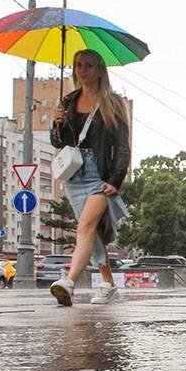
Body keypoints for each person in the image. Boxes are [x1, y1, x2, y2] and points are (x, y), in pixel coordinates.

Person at [48, 49, 131, 306]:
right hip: (74, 174)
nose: (81, 70)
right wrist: (58, 123)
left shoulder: (112, 103)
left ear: (99, 70)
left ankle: (69, 282)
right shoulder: (69, 101)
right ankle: (108, 284)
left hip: (99, 175)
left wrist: (115, 180)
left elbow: (123, 146)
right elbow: (58, 142)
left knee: (84, 226)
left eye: (87, 65)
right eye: (77, 65)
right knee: (91, 232)